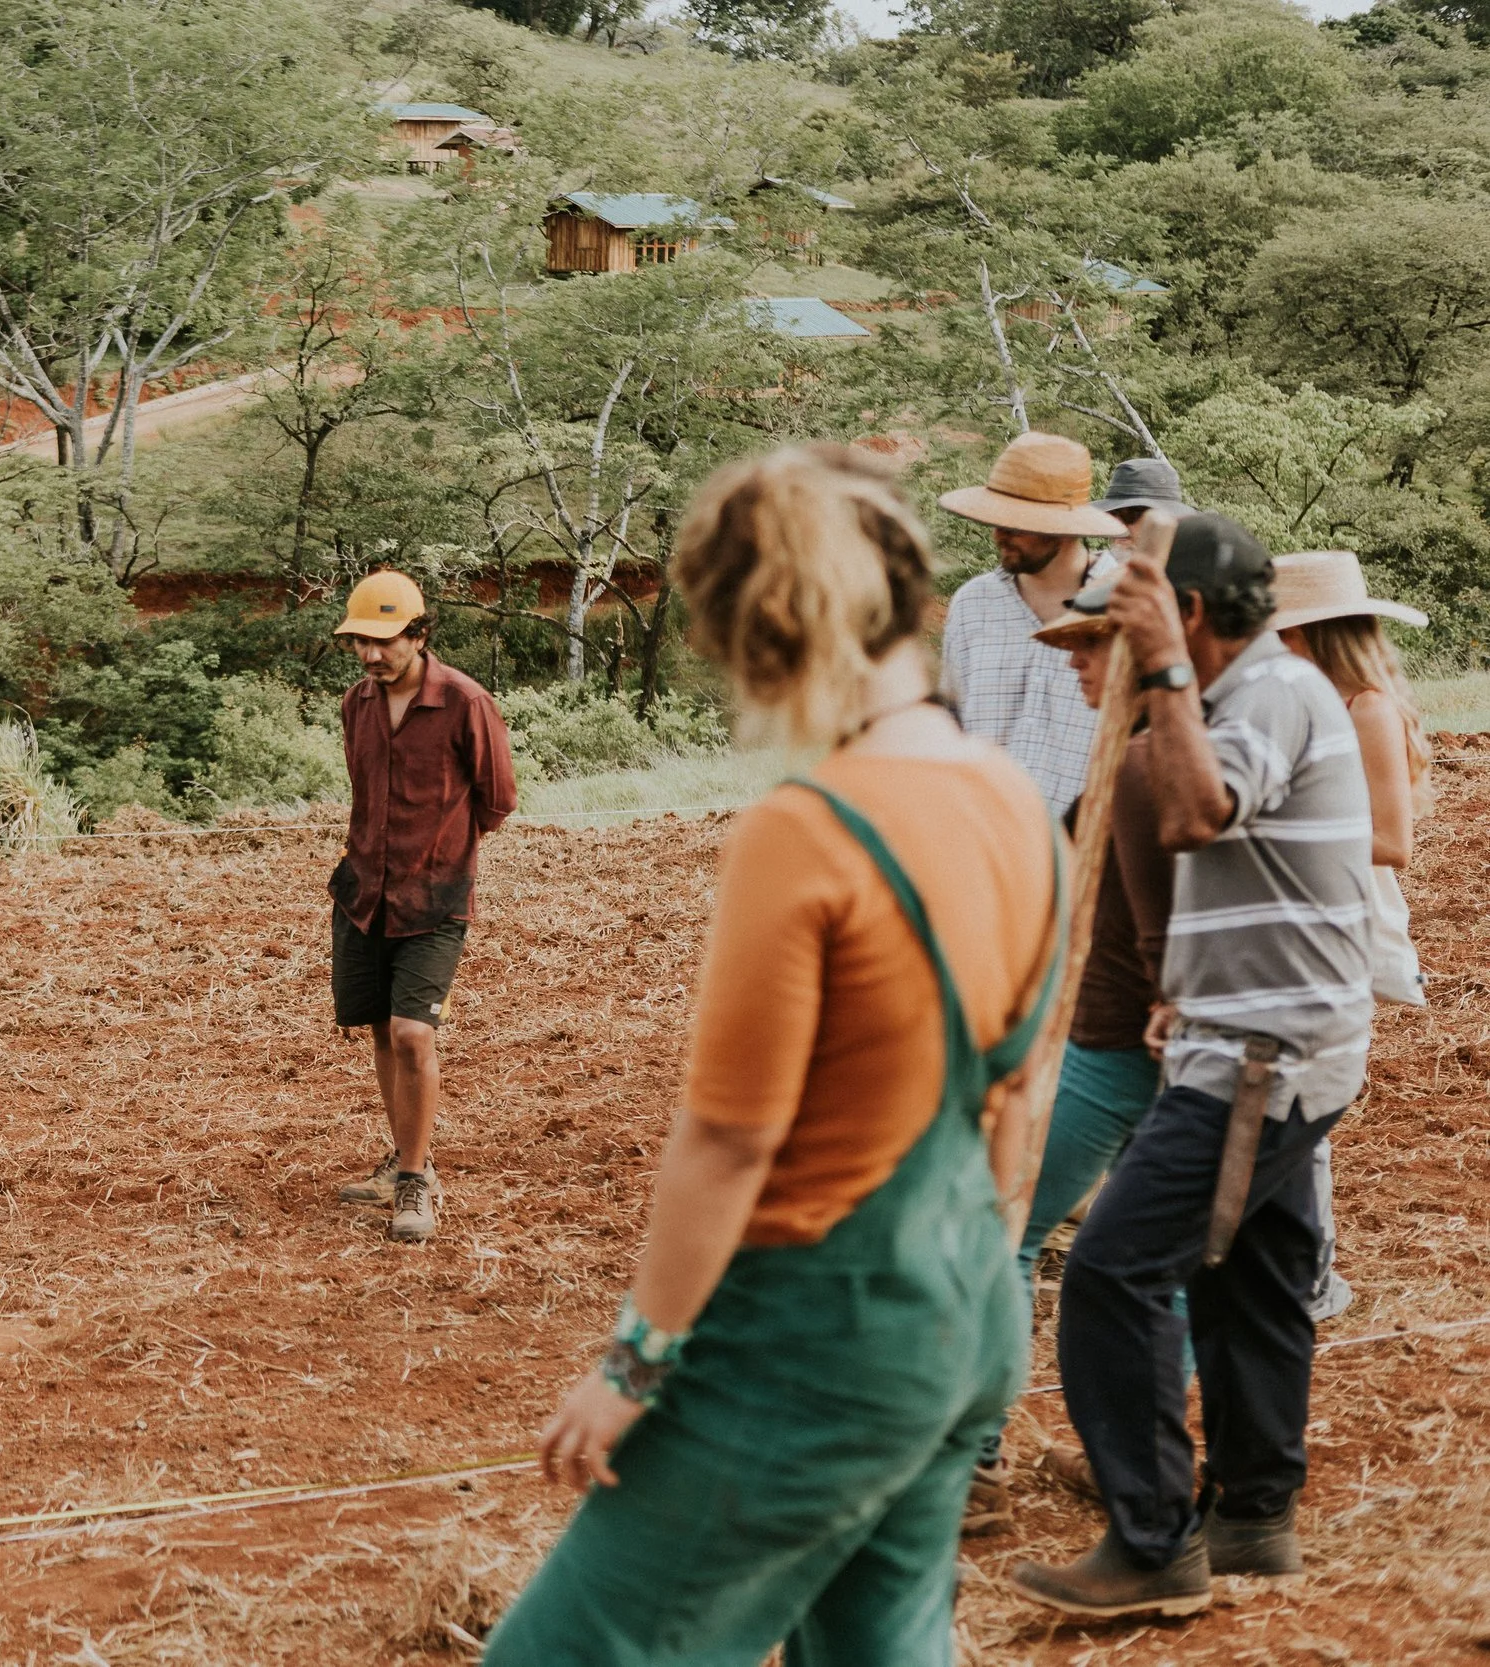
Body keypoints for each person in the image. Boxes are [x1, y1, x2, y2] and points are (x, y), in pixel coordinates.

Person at [486, 445, 1062, 1664]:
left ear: (763, 630)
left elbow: (731, 1137)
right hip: (964, 1310)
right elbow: (1019, 1099)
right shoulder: (1014, 796)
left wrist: (632, 1366)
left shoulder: (803, 832)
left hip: (813, 1345)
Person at [1013, 515, 1375, 1618]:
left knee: (1115, 1271)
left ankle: (1152, 1539)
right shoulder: (1235, 698)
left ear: (1192, 618)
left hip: (1263, 1055)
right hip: (1267, 1037)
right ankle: (1253, 1517)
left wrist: (1160, 670)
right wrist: (1186, 989)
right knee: (1249, 1279)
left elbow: (1191, 812)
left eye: (1127, 627)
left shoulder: (1263, 692)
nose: (1106, 654)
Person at [965, 566, 1177, 1536]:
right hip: (1137, 1041)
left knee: (1002, 1225)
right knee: (1156, 1258)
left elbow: (1155, 940)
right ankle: (1147, 1452)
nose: (1075, 665)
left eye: (1092, 647)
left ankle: (970, 1454)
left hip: (1115, 1042)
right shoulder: (1138, 752)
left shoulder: (1137, 764)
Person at [327, 570, 515, 1246]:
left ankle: (415, 1182)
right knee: (380, 1029)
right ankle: (405, 1158)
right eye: (361, 642)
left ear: (419, 633)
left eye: (385, 641)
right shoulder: (357, 705)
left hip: (436, 898)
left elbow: (496, 800)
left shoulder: (466, 703)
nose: (372, 655)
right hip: (363, 895)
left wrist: (439, 852)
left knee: (414, 1034)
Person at [1272, 549, 1434, 1323]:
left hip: (1348, 905)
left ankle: (1313, 1274)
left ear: (1312, 633)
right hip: (1314, 902)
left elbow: (1393, 839)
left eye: (1282, 632)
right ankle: (1302, 1268)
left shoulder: (1366, 705)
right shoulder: (1315, 697)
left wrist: (1277, 832)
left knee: (1305, 1098)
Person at [938, 431, 1130, 814]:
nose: (998, 536)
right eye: (996, 521)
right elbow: (949, 727)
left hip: (1084, 851)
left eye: (1015, 525)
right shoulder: (972, 604)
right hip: (984, 842)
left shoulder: (1125, 607)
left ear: (1062, 530)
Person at [1091, 455, 1193, 554]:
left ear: (1166, 520)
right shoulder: (1095, 567)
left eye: (1131, 515)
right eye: (1111, 515)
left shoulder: (1194, 568)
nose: (1118, 524)